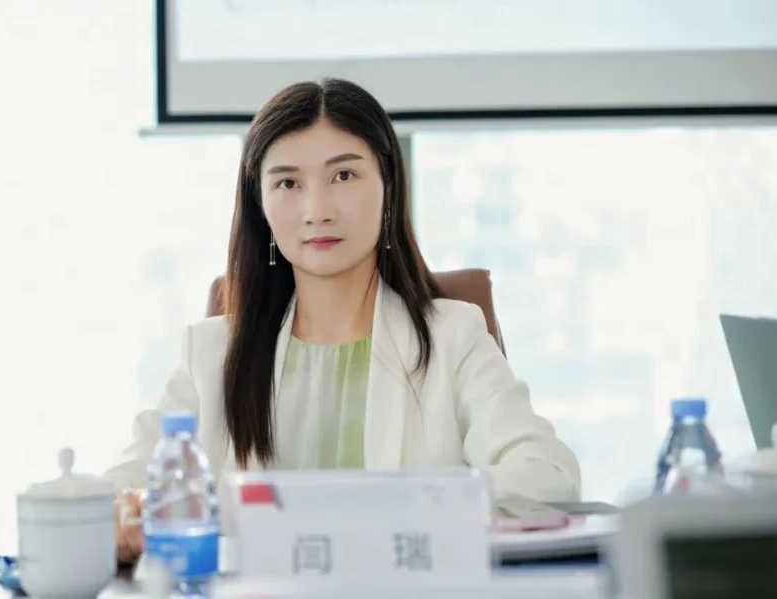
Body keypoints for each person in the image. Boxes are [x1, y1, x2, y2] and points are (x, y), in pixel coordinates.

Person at [106, 77, 581, 564]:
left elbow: (546, 475)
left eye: (344, 176)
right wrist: (128, 510)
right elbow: (117, 491)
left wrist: (396, 508)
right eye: (288, 183)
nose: (318, 211)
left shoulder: (453, 336)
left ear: (388, 187)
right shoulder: (211, 354)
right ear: (260, 205)